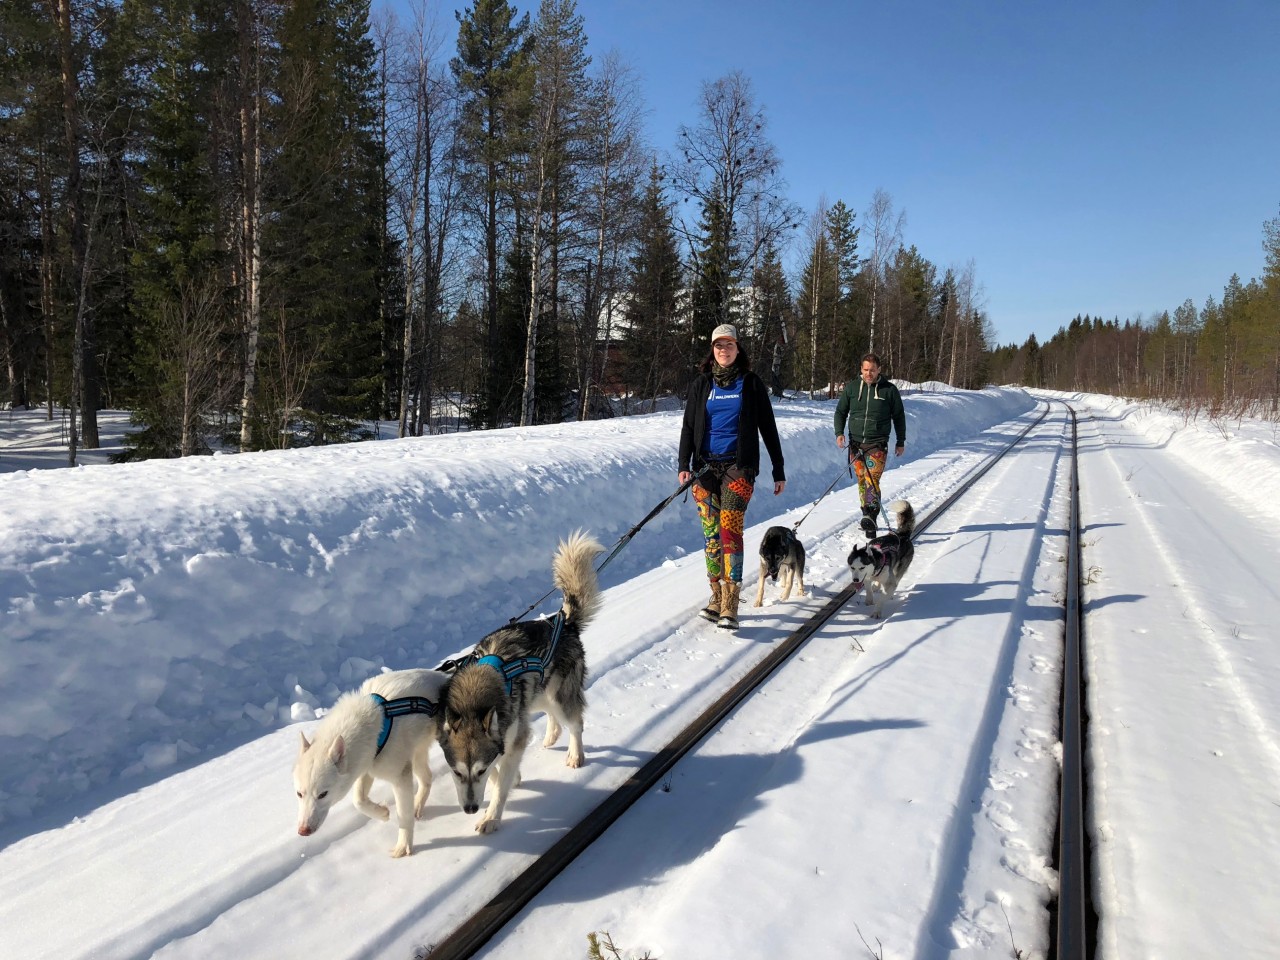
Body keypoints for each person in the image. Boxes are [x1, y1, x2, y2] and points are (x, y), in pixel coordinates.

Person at [678, 323, 786, 631]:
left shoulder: (750, 384)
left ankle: (730, 601)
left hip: (739, 468)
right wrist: (683, 463)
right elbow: (688, 427)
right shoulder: (702, 385)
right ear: (712, 350)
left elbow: (768, 428)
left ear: (738, 349)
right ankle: (716, 595)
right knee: (711, 537)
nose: (723, 350)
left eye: (729, 345)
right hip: (703, 469)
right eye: (718, 346)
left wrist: (778, 469)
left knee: (729, 532)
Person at [834, 352, 906, 539]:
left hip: (877, 445)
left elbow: (899, 417)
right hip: (856, 446)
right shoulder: (851, 388)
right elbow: (840, 412)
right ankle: (867, 515)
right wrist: (839, 433)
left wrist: (900, 441)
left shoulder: (889, 390)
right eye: (865, 369)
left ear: (879, 370)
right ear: (861, 369)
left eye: (872, 370)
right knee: (861, 482)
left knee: (871, 481)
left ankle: (870, 516)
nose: (868, 373)